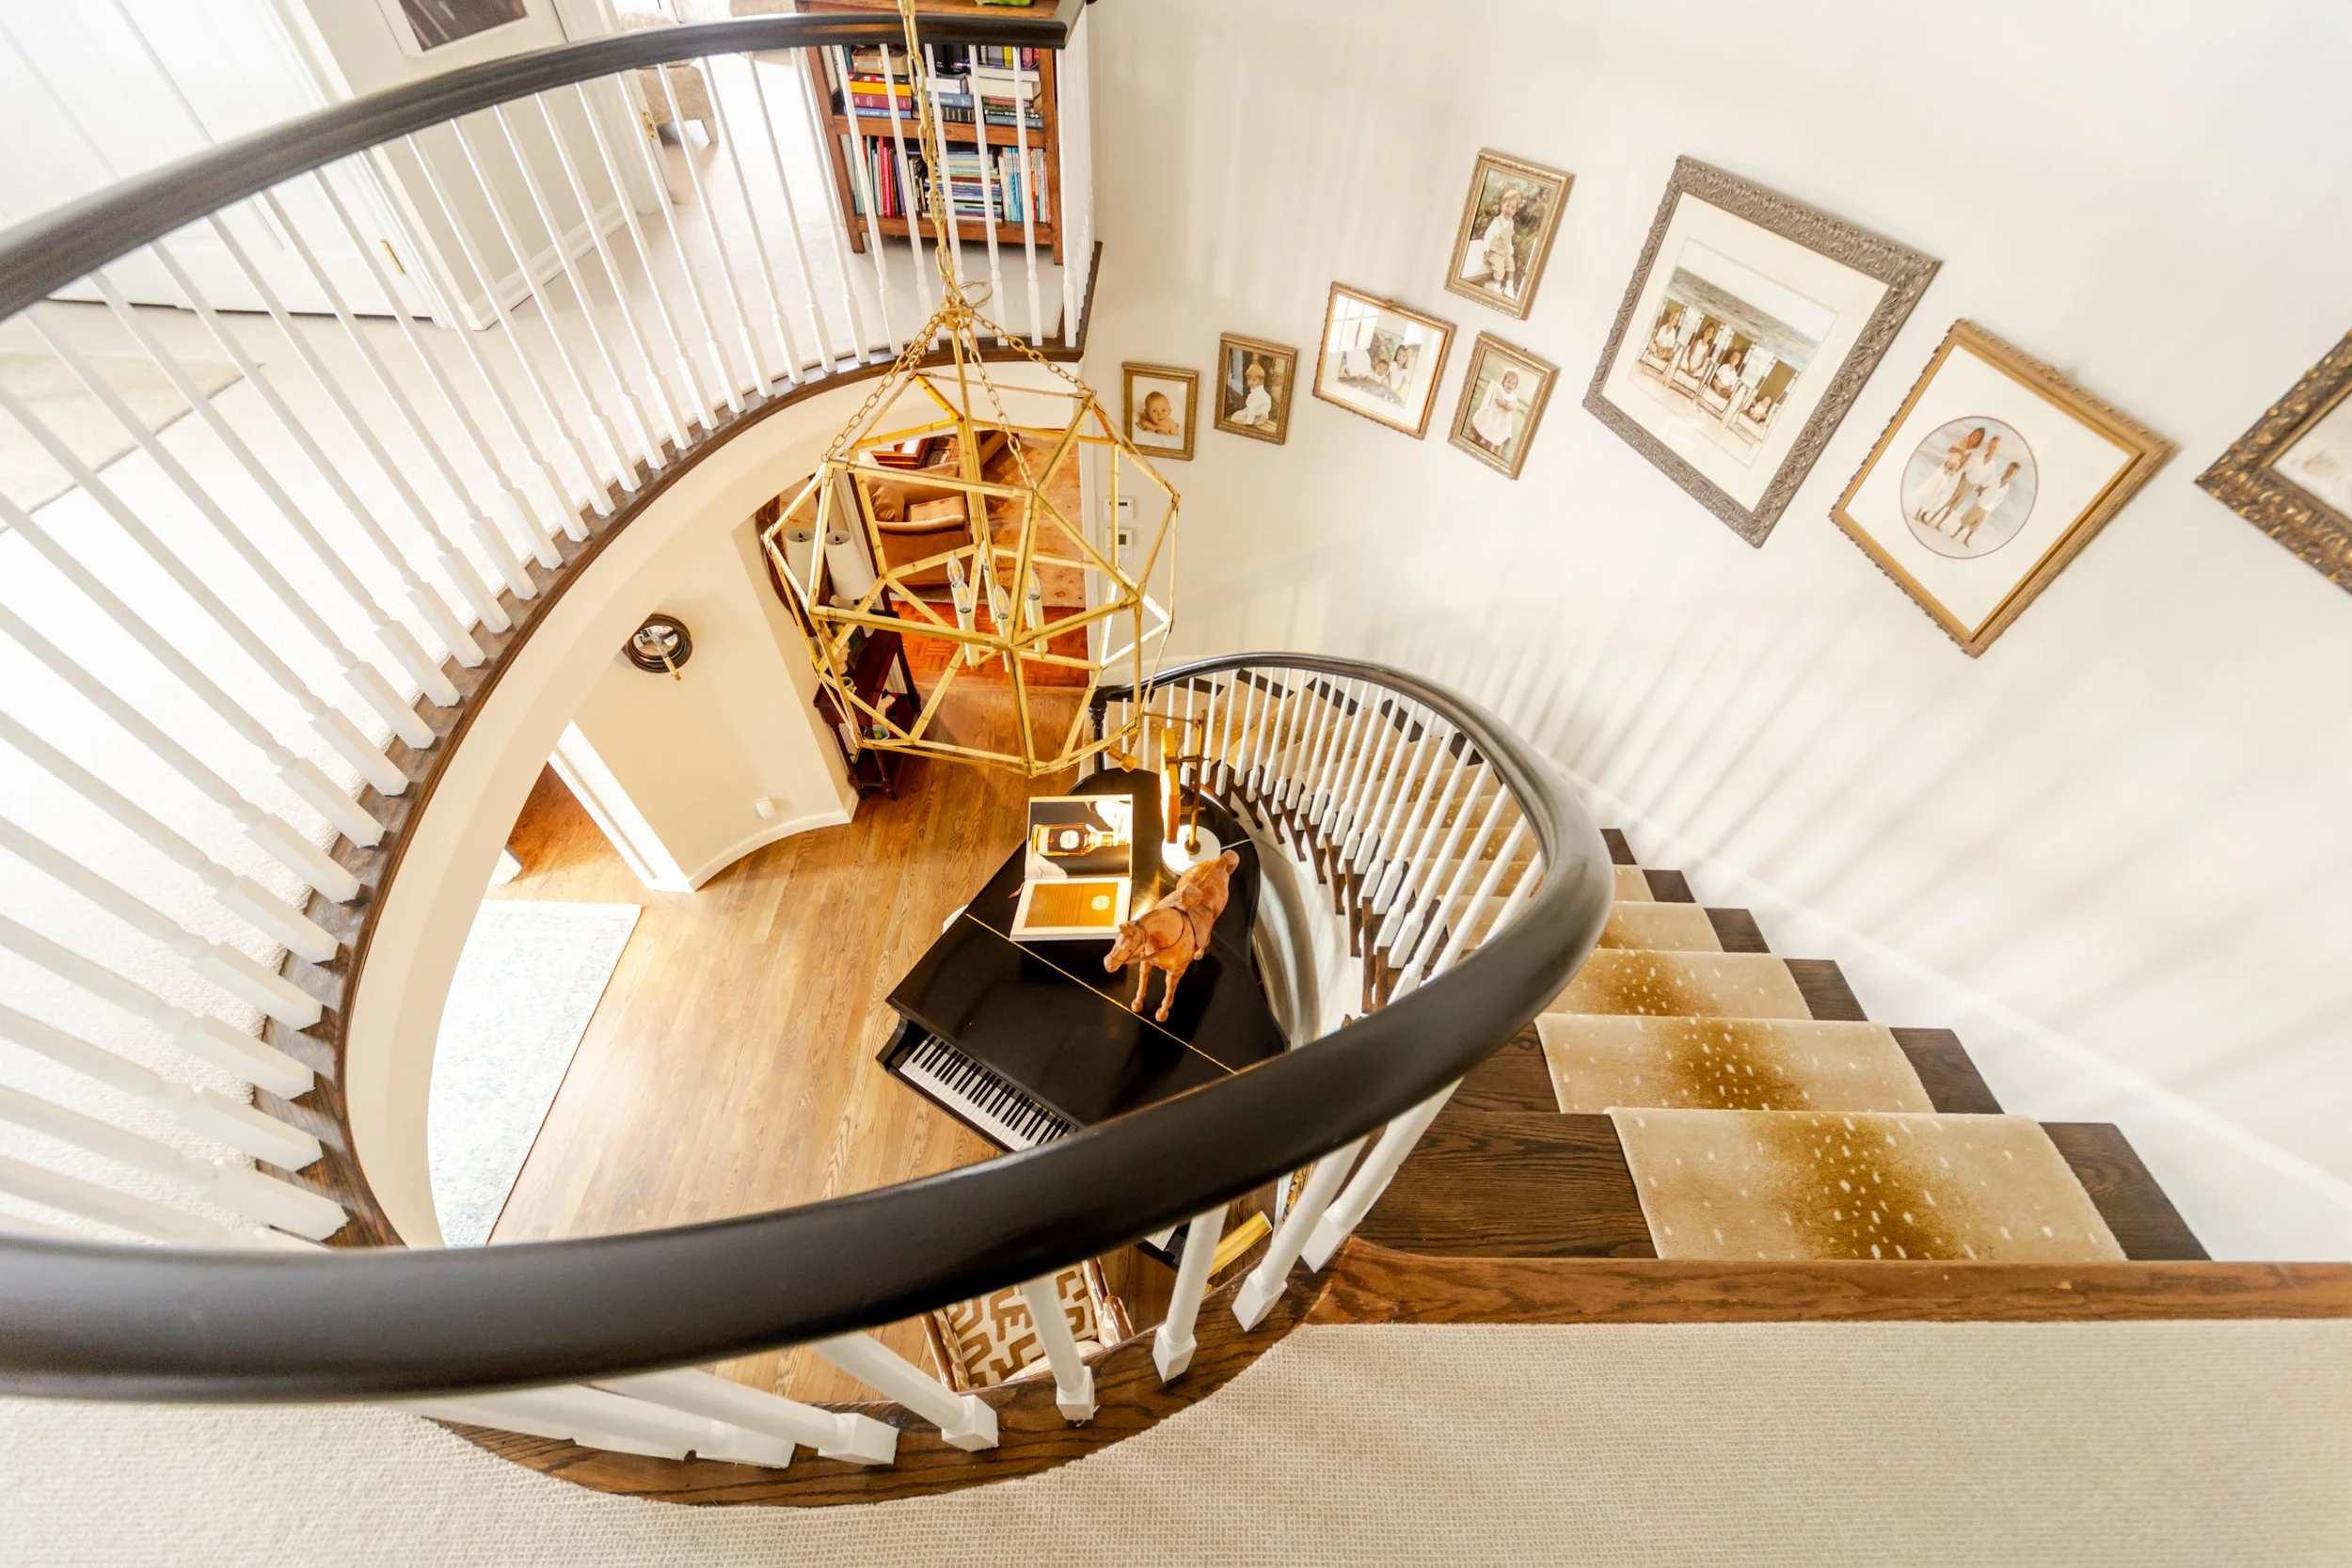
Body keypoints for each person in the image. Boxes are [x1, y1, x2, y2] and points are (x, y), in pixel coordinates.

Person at [1465, 185, 1529, 299]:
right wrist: (1486, 250)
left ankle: (1508, 287)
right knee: (1499, 266)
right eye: (1507, 206)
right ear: (1502, 206)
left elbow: (1508, 239)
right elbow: (1488, 236)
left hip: (1504, 251)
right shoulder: (1497, 222)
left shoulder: (1511, 223)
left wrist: (1510, 250)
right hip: (1494, 251)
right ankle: (1496, 286)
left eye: (1512, 208)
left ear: (1516, 210)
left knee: (1511, 265)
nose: (1509, 210)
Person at [1910, 432, 1974, 529]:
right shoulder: (1957, 446)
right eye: (1973, 436)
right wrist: (1960, 451)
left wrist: (1953, 471)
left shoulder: (1969, 453)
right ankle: (1918, 512)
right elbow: (1950, 450)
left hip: (1952, 473)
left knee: (1940, 496)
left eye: (1977, 438)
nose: (1972, 440)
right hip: (1944, 468)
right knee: (1932, 490)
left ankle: (1924, 514)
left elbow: (1962, 464)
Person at [1953, 460, 2021, 546]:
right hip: (1981, 504)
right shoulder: (1995, 480)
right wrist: (1981, 493)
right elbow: (1980, 487)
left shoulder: (2006, 488)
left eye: (2011, 472)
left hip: (1988, 510)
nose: (2008, 473)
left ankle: (1966, 539)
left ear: (2014, 475)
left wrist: (1992, 508)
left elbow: (2000, 500)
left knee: (1976, 526)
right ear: (2005, 469)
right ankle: (1956, 533)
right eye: (2008, 470)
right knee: (1967, 520)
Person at [1470, 368, 1521, 452]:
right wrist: (1505, 404)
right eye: (1508, 382)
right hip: (1494, 414)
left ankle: (1494, 444)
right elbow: (1498, 402)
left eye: (1513, 384)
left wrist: (1510, 407)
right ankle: (1484, 437)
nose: (1510, 385)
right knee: (1489, 425)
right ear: (1504, 381)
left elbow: (1513, 405)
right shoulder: (1499, 389)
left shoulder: (1513, 396)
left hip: (1503, 419)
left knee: (1498, 430)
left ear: (1515, 386)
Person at [1233, 357, 1275, 428]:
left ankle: (1248, 419)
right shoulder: (1257, 391)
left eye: (1254, 380)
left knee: (1235, 417)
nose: (1250, 382)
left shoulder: (1257, 395)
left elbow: (1253, 408)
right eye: (1249, 379)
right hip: (1259, 414)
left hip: (1259, 417)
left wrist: (1249, 421)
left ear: (1261, 381)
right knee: (1240, 413)